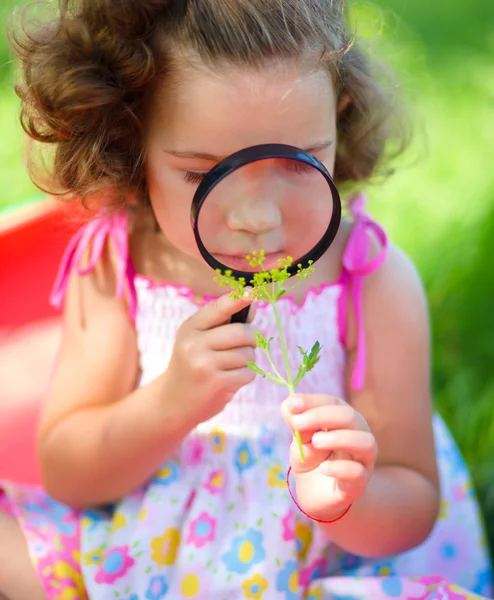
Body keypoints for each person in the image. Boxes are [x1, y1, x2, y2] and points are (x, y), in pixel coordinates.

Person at [0, 1, 491, 599]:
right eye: (200, 174)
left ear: (339, 117)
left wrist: (346, 498)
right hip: (147, 546)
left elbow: (411, 503)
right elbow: (71, 474)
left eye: (296, 161)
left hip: (322, 567)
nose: (256, 218)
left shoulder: (373, 279)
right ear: (131, 139)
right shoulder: (115, 266)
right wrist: (170, 401)